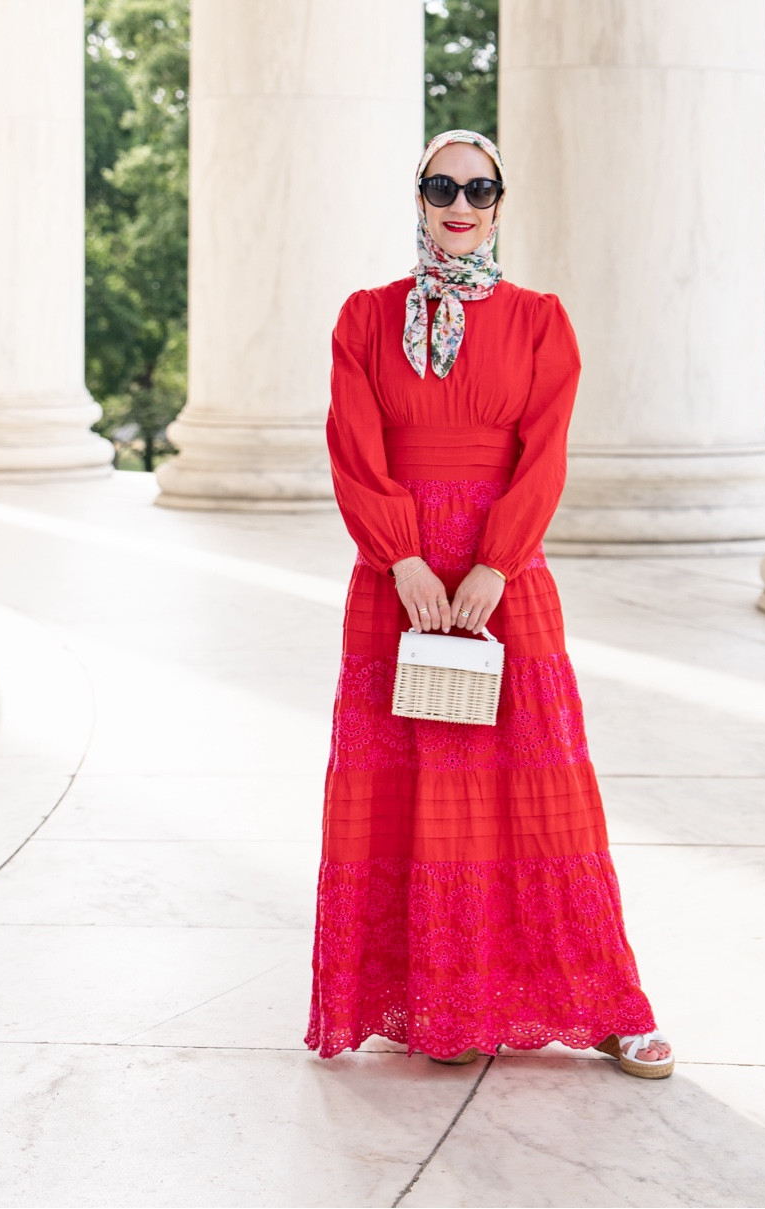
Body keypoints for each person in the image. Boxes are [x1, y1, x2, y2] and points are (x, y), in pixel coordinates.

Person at [305, 128, 673, 1078]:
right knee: (407, 787)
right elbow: (355, 447)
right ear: (417, 200)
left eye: (478, 188)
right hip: (401, 580)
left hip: (503, 579)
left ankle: (603, 1002)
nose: (458, 204)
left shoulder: (543, 319)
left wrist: (494, 565)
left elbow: (543, 454)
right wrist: (402, 559)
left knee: (539, 786)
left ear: (501, 203)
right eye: (440, 187)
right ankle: (445, 1005)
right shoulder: (363, 317)